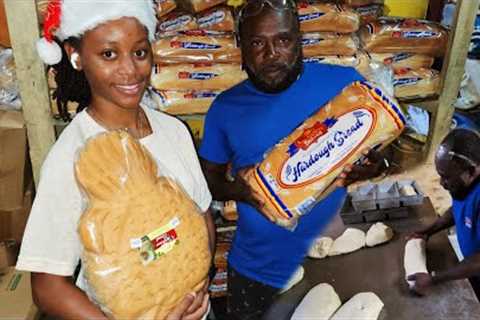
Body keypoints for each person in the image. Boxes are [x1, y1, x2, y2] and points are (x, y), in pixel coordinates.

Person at [16, 1, 215, 319]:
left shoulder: (173, 131)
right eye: (109, 54)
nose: (130, 70)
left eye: (139, 52)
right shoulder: (73, 157)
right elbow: (47, 287)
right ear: (76, 56)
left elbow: (202, 216)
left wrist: (196, 286)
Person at [198, 0, 389, 318]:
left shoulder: (344, 85)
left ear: (299, 39)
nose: (271, 54)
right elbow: (210, 181)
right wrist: (240, 190)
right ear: (241, 47)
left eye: (283, 40)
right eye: (257, 42)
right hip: (256, 269)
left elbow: (384, 151)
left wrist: (375, 167)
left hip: (335, 256)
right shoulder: (225, 108)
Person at [407, 128, 480, 297]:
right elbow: (458, 210)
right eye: (440, 175)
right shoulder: (463, 184)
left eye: (447, 177)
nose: (441, 183)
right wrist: (428, 231)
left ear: (471, 171)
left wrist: (434, 279)